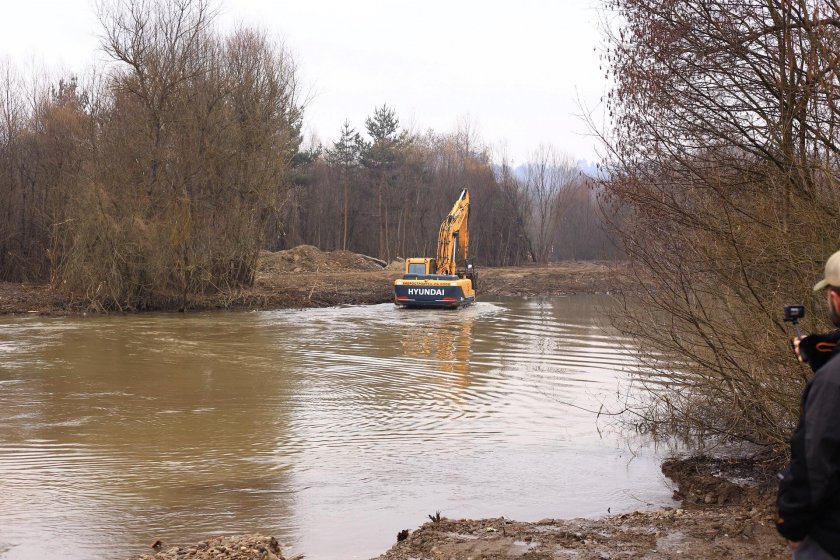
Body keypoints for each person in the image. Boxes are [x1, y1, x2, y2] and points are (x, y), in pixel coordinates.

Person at [778, 249, 840, 559]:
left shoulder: (830, 384)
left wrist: (792, 527)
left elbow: (813, 462)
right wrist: (816, 350)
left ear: (837, 300)